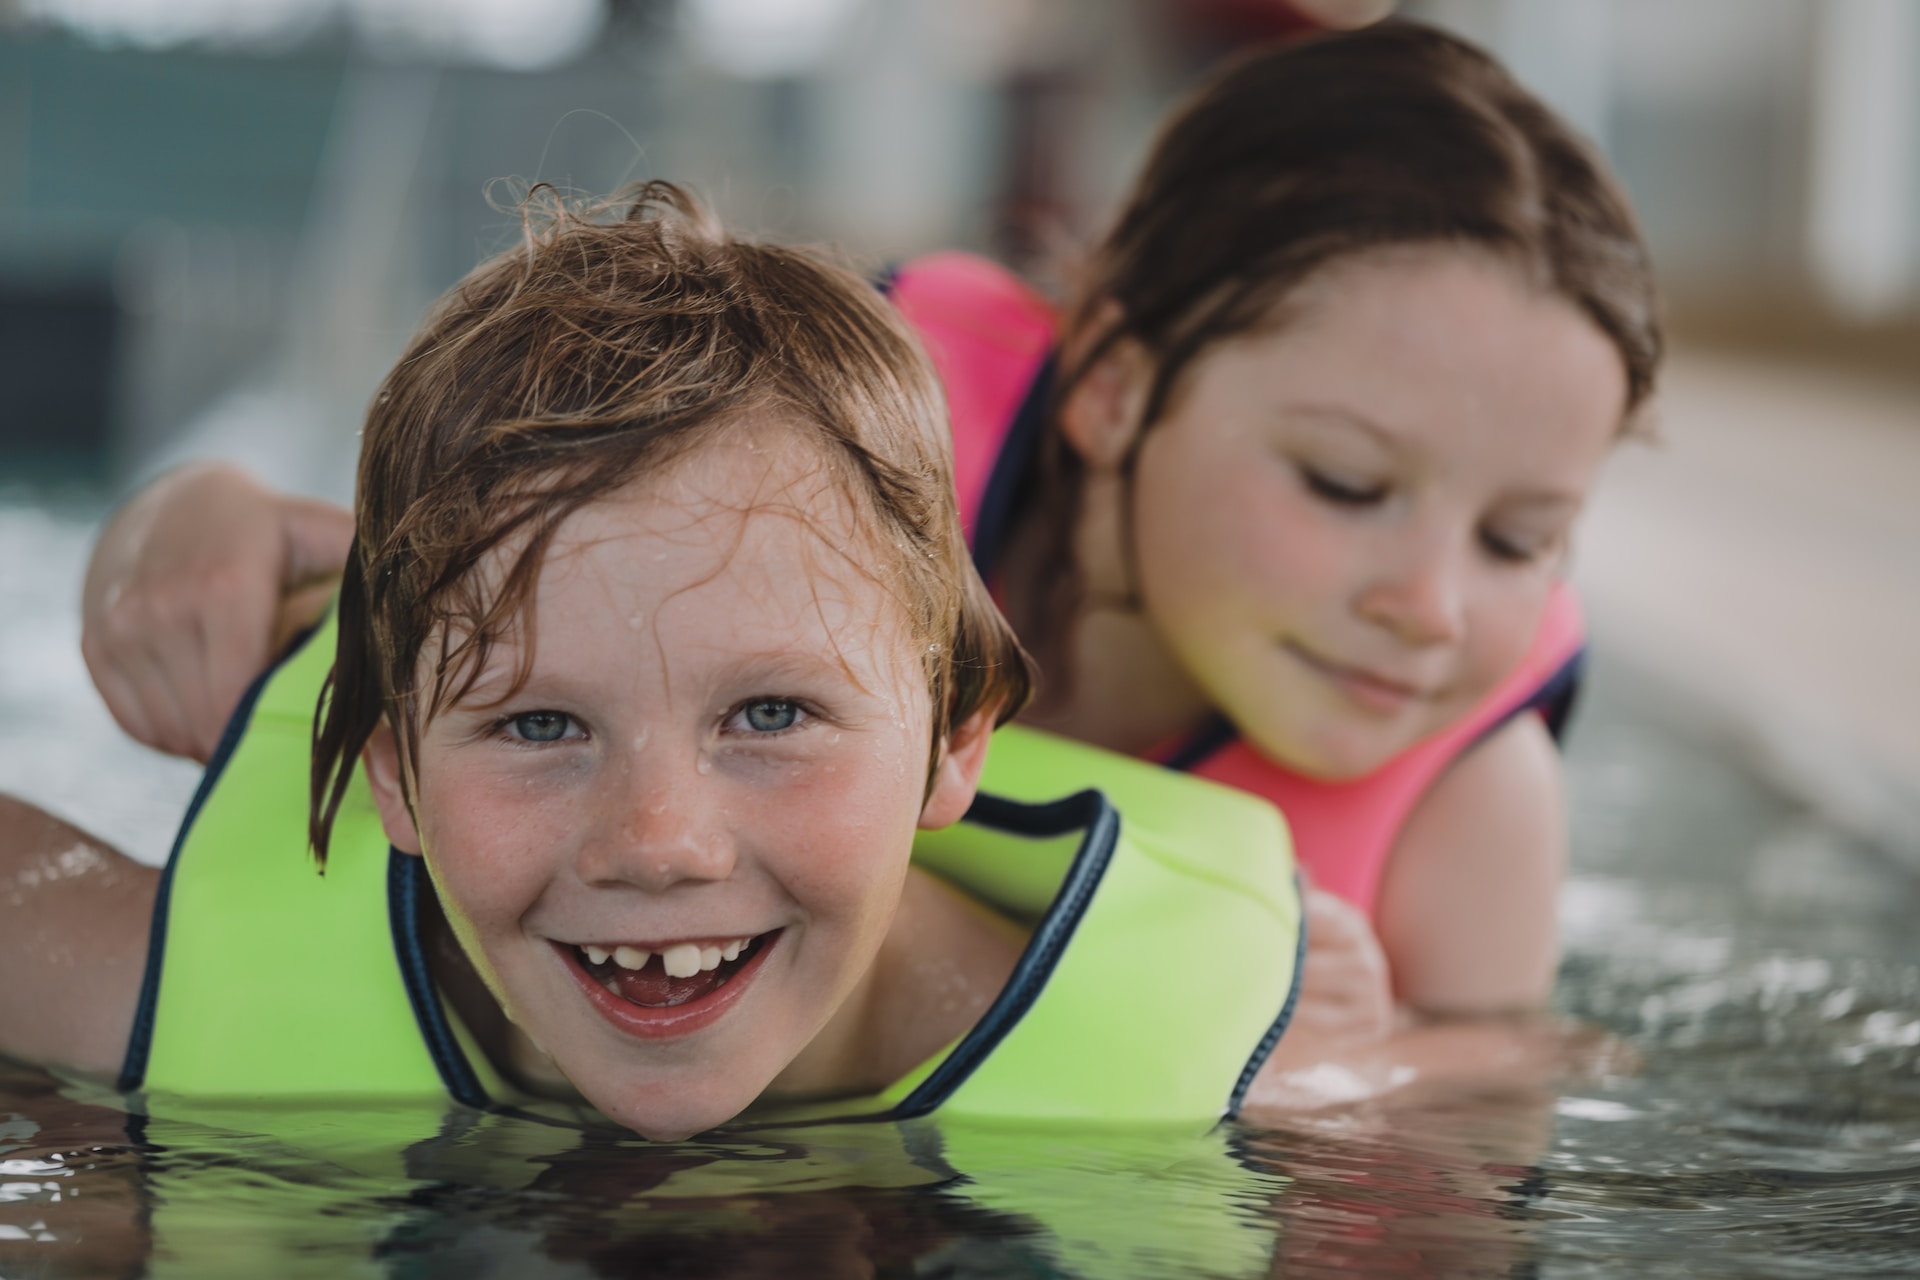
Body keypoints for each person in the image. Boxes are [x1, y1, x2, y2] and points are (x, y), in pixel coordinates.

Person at [79, 22, 1661, 1039]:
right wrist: (186, 512)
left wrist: (1361, 1063)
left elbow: (1477, 1137)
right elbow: (468, 570)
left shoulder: (1471, 803)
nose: (1431, 606)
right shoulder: (845, 455)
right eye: (1343, 483)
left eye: (1523, 539)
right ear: (1107, 382)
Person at [4, 186, 1312, 1141]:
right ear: (393, 771)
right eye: (538, 728)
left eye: (772, 712)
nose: (658, 842)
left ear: (955, 740)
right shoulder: (171, 984)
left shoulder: (1216, 1062)